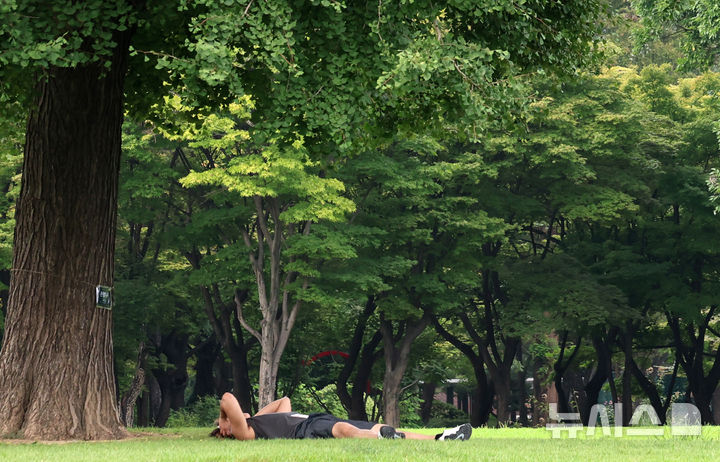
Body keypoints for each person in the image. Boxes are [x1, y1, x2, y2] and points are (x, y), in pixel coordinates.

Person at [211, 392, 471, 441]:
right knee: (344, 429)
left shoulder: (257, 421)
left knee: (384, 426)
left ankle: (441, 437)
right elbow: (227, 398)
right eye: (229, 425)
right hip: (306, 430)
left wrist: (253, 414)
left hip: (316, 417)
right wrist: (226, 419)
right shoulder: (246, 433)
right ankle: (380, 438)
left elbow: (284, 402)